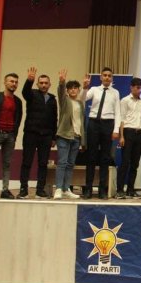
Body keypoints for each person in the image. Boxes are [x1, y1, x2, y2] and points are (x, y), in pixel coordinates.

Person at [19, 67, 57, 199]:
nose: (43, 85)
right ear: (37, 84)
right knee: (27, 162)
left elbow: (54, 119)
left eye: (46, 83)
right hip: (31, 133)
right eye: (41, 83)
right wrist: (29, 81)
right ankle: (23, 189)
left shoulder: (52, 99)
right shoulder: (32, 94)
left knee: (43, 163)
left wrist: (53, 137)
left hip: (46, 136)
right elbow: (24, 92)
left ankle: (40, 190)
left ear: (50, 84)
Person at [83, 67, 121, 199]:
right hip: (94, 123)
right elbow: (83, 99)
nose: (107, 77)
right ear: (100, 77)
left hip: (108, 124)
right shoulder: (94, 89)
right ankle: (88, 189)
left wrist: (116, 130)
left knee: (105, 158)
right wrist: (85, 88)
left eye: (109, 76)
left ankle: (102, 190)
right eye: (104, 75)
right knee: (91, 156)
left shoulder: (115, 92)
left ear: (112, 78)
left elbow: (118, 112)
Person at [116, 77, 141, 199]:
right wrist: (121, 136)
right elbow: (121, 119)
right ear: (131, 87)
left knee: (135, 163)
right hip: (128, 132)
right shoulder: (125, 100)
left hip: (139, 133)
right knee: (125, 162)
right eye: (137, 88)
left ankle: (130, 189)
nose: (139, 90)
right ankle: (120, 189)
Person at [53, 69, 85, 200]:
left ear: (78, 90)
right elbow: (60, 92)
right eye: (70, 88)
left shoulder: (80, 104)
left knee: (71, 164)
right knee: (62, 162)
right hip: (64, 136)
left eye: (75, 88)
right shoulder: (64, 101)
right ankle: (58, 188)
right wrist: (62, 82)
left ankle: (66, 189)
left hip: (76, 137)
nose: (73, 90)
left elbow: (81, 122)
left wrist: (83, 140)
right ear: (67, 90)